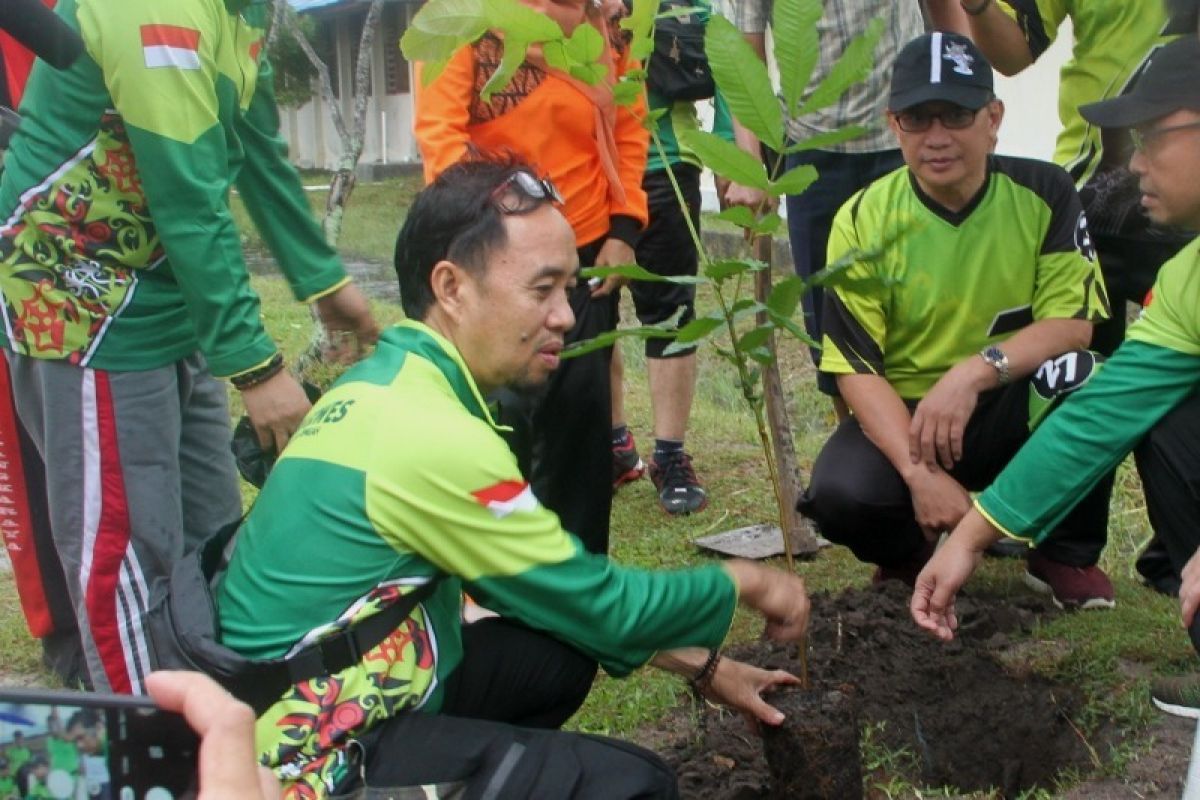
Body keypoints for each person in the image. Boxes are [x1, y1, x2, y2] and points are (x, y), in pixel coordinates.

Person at [215, 155, 811, 799]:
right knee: (637, 785)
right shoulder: (433, 435)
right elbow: (603, 606)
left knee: (554, 659)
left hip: (313, 691)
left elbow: (537, 599)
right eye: (542, 288)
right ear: (451, 287)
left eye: (570, 289)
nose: (565, 314)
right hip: (300, 758)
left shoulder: (387, 383)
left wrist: (705, 667)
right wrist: (743, 580)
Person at [0, 0, 379, 694]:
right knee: (125, 557)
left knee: (211, 535)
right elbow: (186, 193)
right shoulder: (151, 9)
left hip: (170, 294)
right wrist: (256, 366)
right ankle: (157, 758)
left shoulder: (243, 11)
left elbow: (256, 146)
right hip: (82, 297)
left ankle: (227, 722)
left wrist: (324, 282)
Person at [911, 36, 1200, 716]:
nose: (1131, 167)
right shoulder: (1186, 277)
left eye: (1151, 139)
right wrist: (971, 541)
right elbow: (1100, 416)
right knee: (1166, 413)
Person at [796, 32, 1115, 607]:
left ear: (993, 118)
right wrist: (918, 474)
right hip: (909, 420)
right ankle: (910, 556)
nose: (937, 138)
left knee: (1084, 376)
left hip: (1005, 403)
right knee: (841, 493)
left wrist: (974, 372)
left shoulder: (1046, 190)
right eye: (918, 119)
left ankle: (1061, 552)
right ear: (894, 126)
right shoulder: (862, 218)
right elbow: (855, 369)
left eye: (957, 115)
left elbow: (1073, 325)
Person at [414, 0, 647, 554]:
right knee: (503, 419)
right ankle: (494, 586)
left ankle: (581, 585)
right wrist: (504, 236)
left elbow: (630, 123)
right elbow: (441, 141)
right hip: (495, 250)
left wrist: (623, 228)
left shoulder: (611, 16)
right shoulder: (458, 13)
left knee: (581, 422)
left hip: (585, 247)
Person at [719, 0, 961, 421]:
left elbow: (947, 14)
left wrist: (965, 104)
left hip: (904, 136)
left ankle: (926, 432)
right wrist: (752, 167)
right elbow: (746, 58)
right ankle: (854, 437)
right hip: (813, 149)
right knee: (829, 314)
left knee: (924, 300)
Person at [609, 0, 732, 514]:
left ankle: (670, 455)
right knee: (585, 308)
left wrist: (729, 150)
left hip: (665, 161)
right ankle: (613, 444)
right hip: (590, 164)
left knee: (670, 311)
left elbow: (723, 51)